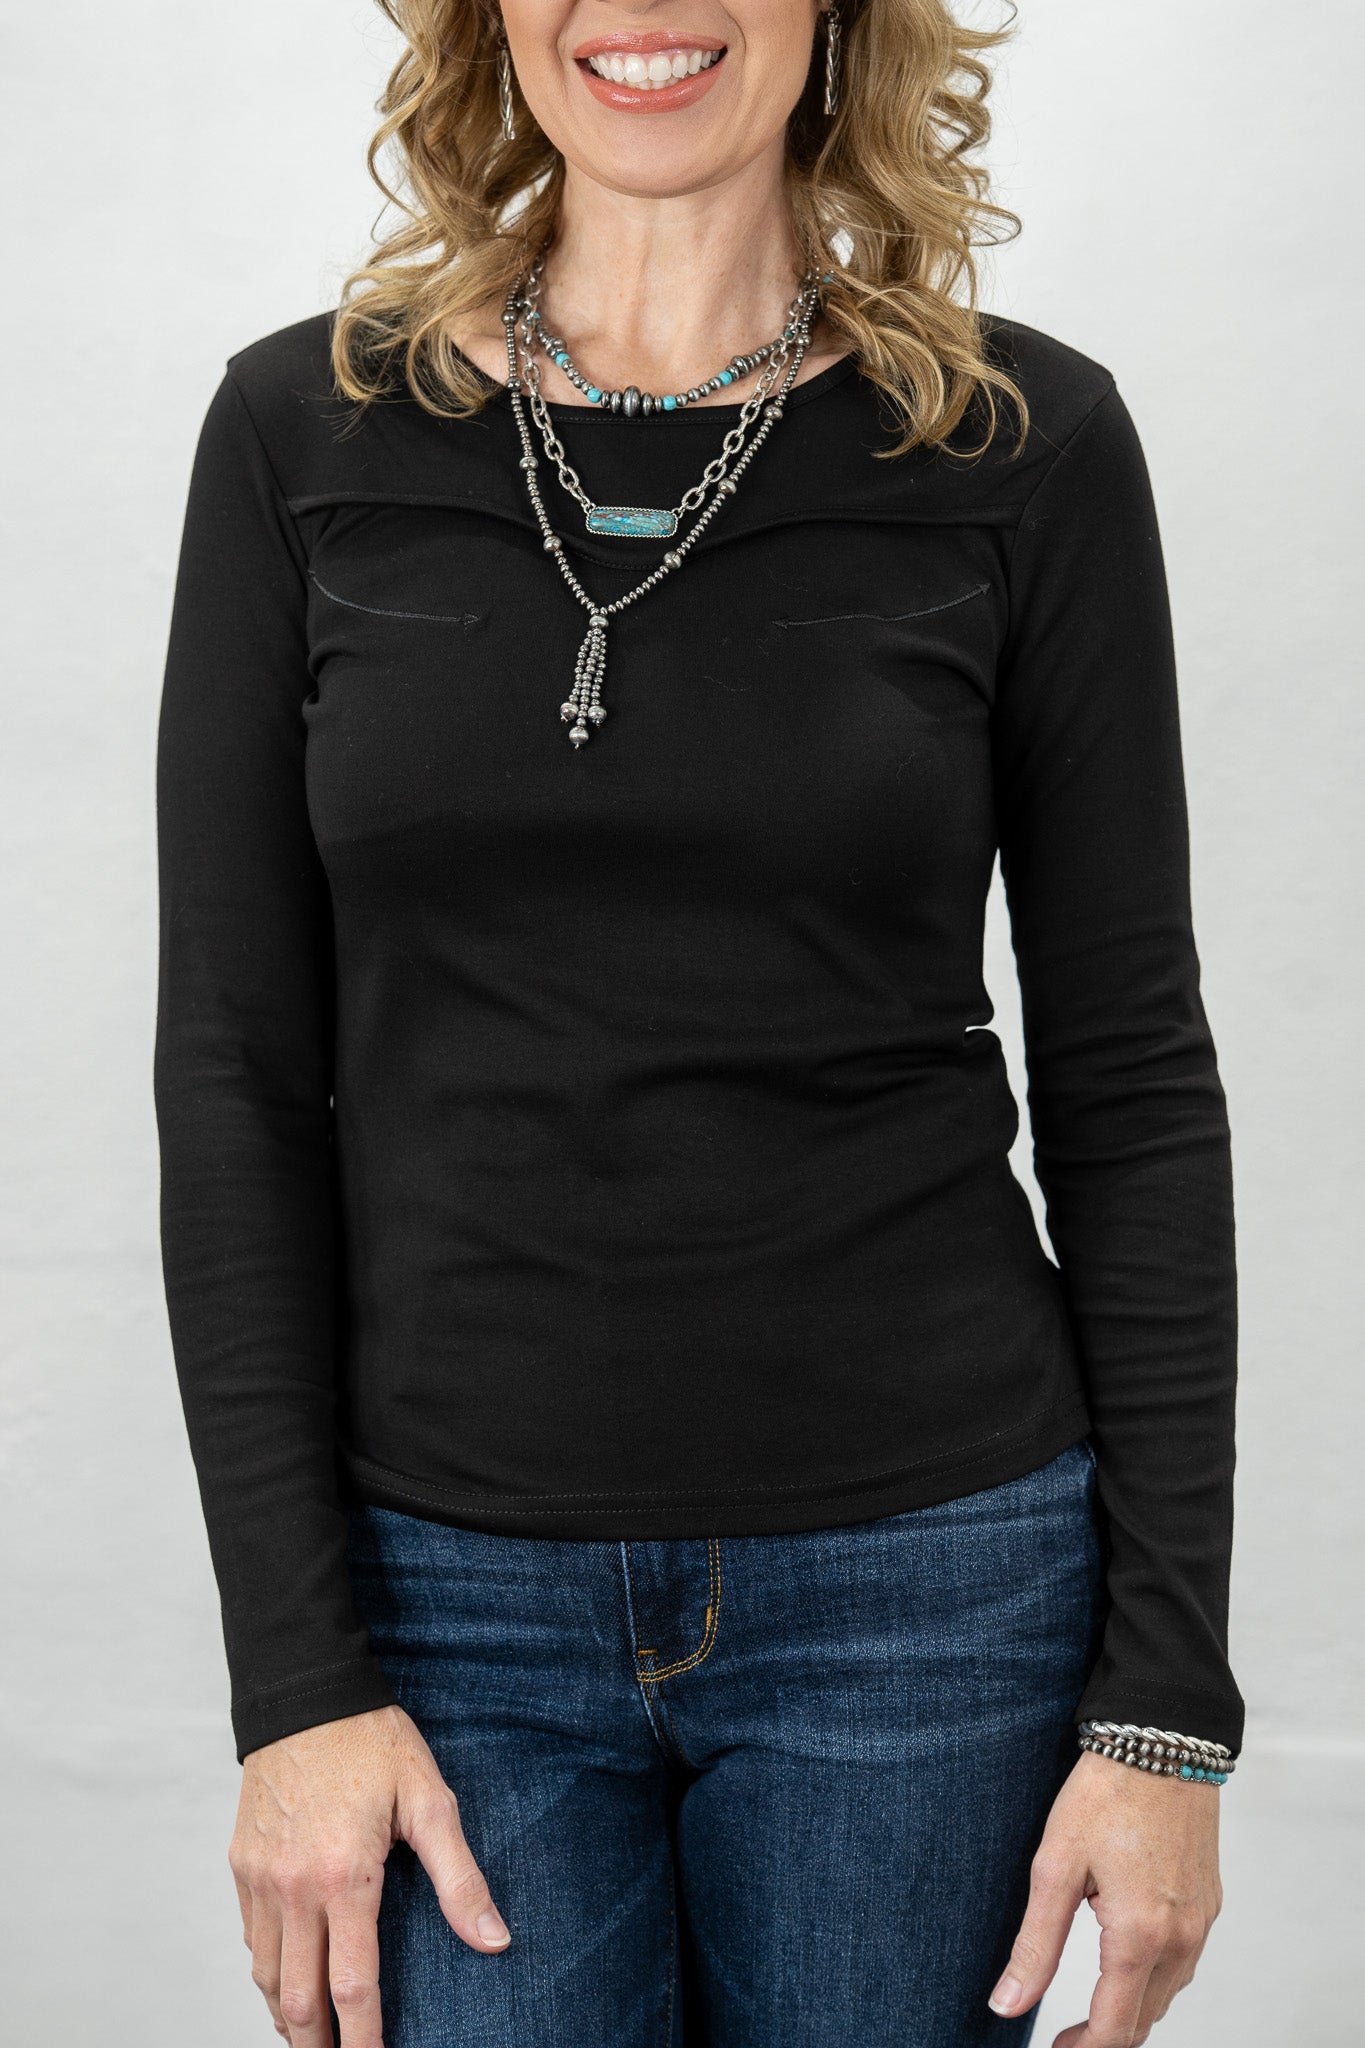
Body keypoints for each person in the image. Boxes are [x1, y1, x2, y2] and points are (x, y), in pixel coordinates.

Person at [152, 0, 1245, 2042]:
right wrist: (294, 1680)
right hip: (440, 1597)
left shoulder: (1020, 445)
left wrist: (1165, 1710)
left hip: (927, 1592)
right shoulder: (303, 433)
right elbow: (234, 1081)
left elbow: (1131, 1083)